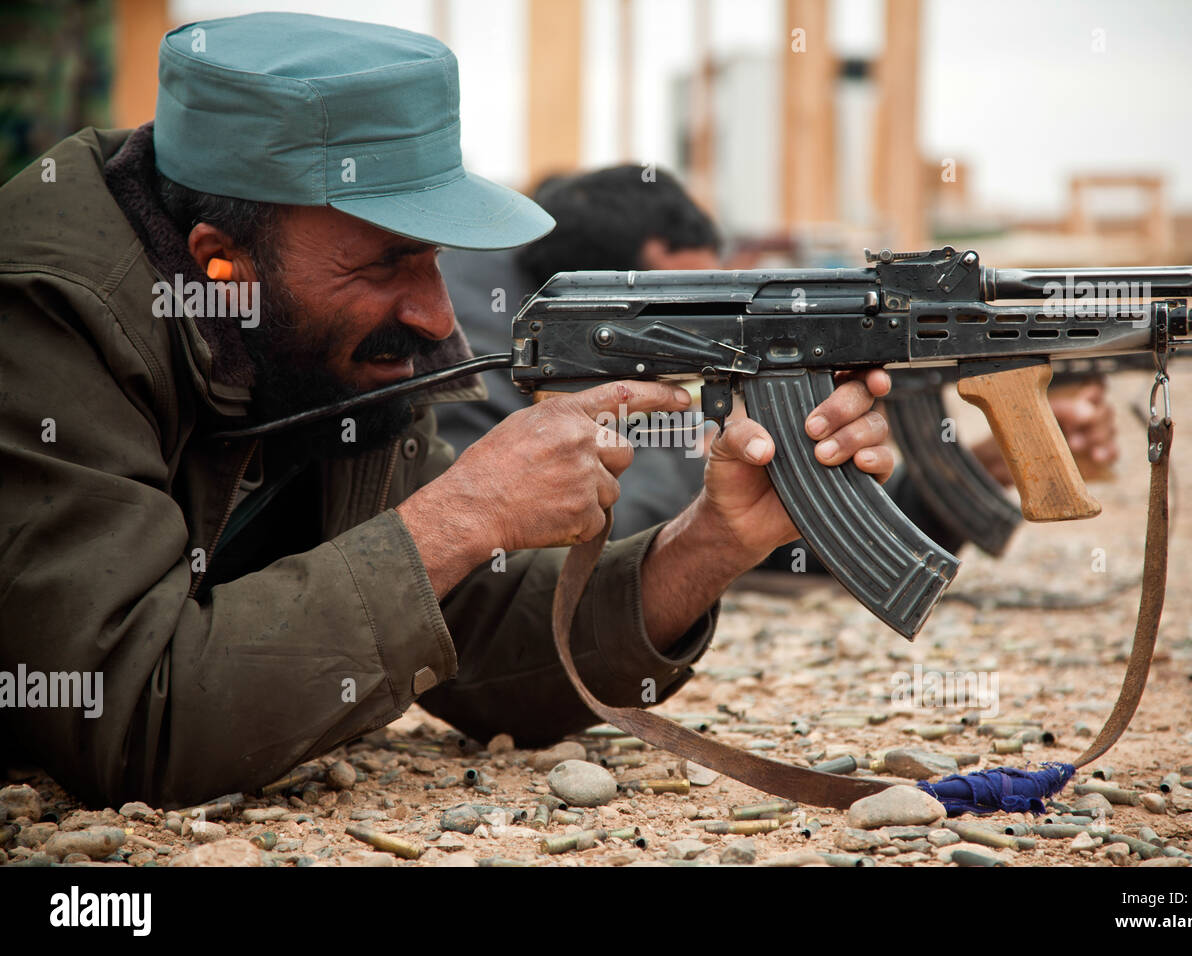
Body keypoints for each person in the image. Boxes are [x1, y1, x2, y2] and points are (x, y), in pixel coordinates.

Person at [0, 13, 896, 807]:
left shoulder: (317, 344)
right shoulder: (50, 318)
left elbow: (487, 649)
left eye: (434, 258)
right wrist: (462, 512)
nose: (437, 316)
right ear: (219, 260)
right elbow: (128, 719)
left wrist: (711, 540)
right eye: (386, 263)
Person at [436, 165, 1120, 558]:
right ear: (616, 293)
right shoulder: (468, 355)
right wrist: (709, 456)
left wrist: (994, 459)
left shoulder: (569, 329)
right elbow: (606, 534)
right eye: (697, 301)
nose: (722, 325)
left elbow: (793, 538)